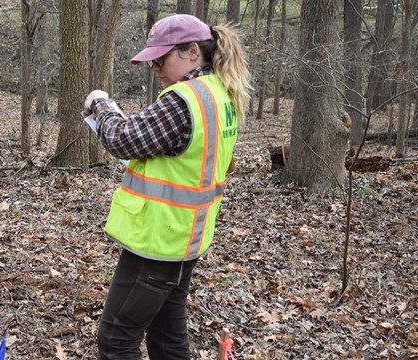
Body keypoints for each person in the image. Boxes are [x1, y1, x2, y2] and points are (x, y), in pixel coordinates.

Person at [83, 14, 252, 360]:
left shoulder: (184, 99)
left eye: (161, 58)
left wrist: (101, 104)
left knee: (116, 341)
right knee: (166, 337)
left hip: (157, 245)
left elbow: (122, 139)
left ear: (192, 51)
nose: (155, 67)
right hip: (185, 240)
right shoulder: (221, 94)